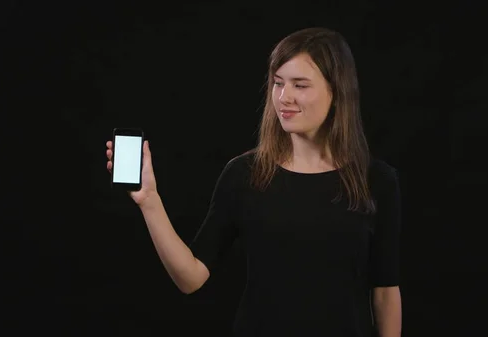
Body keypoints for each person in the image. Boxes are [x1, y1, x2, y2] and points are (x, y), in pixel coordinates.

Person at [106, 27, 402, 337]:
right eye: (277, 83)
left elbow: (385, 291)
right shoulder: (244, 174)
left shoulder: (377, 180)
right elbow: (191, 277)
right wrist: (150, 200)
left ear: (336, 91)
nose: (284, 97)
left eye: (300, 85)